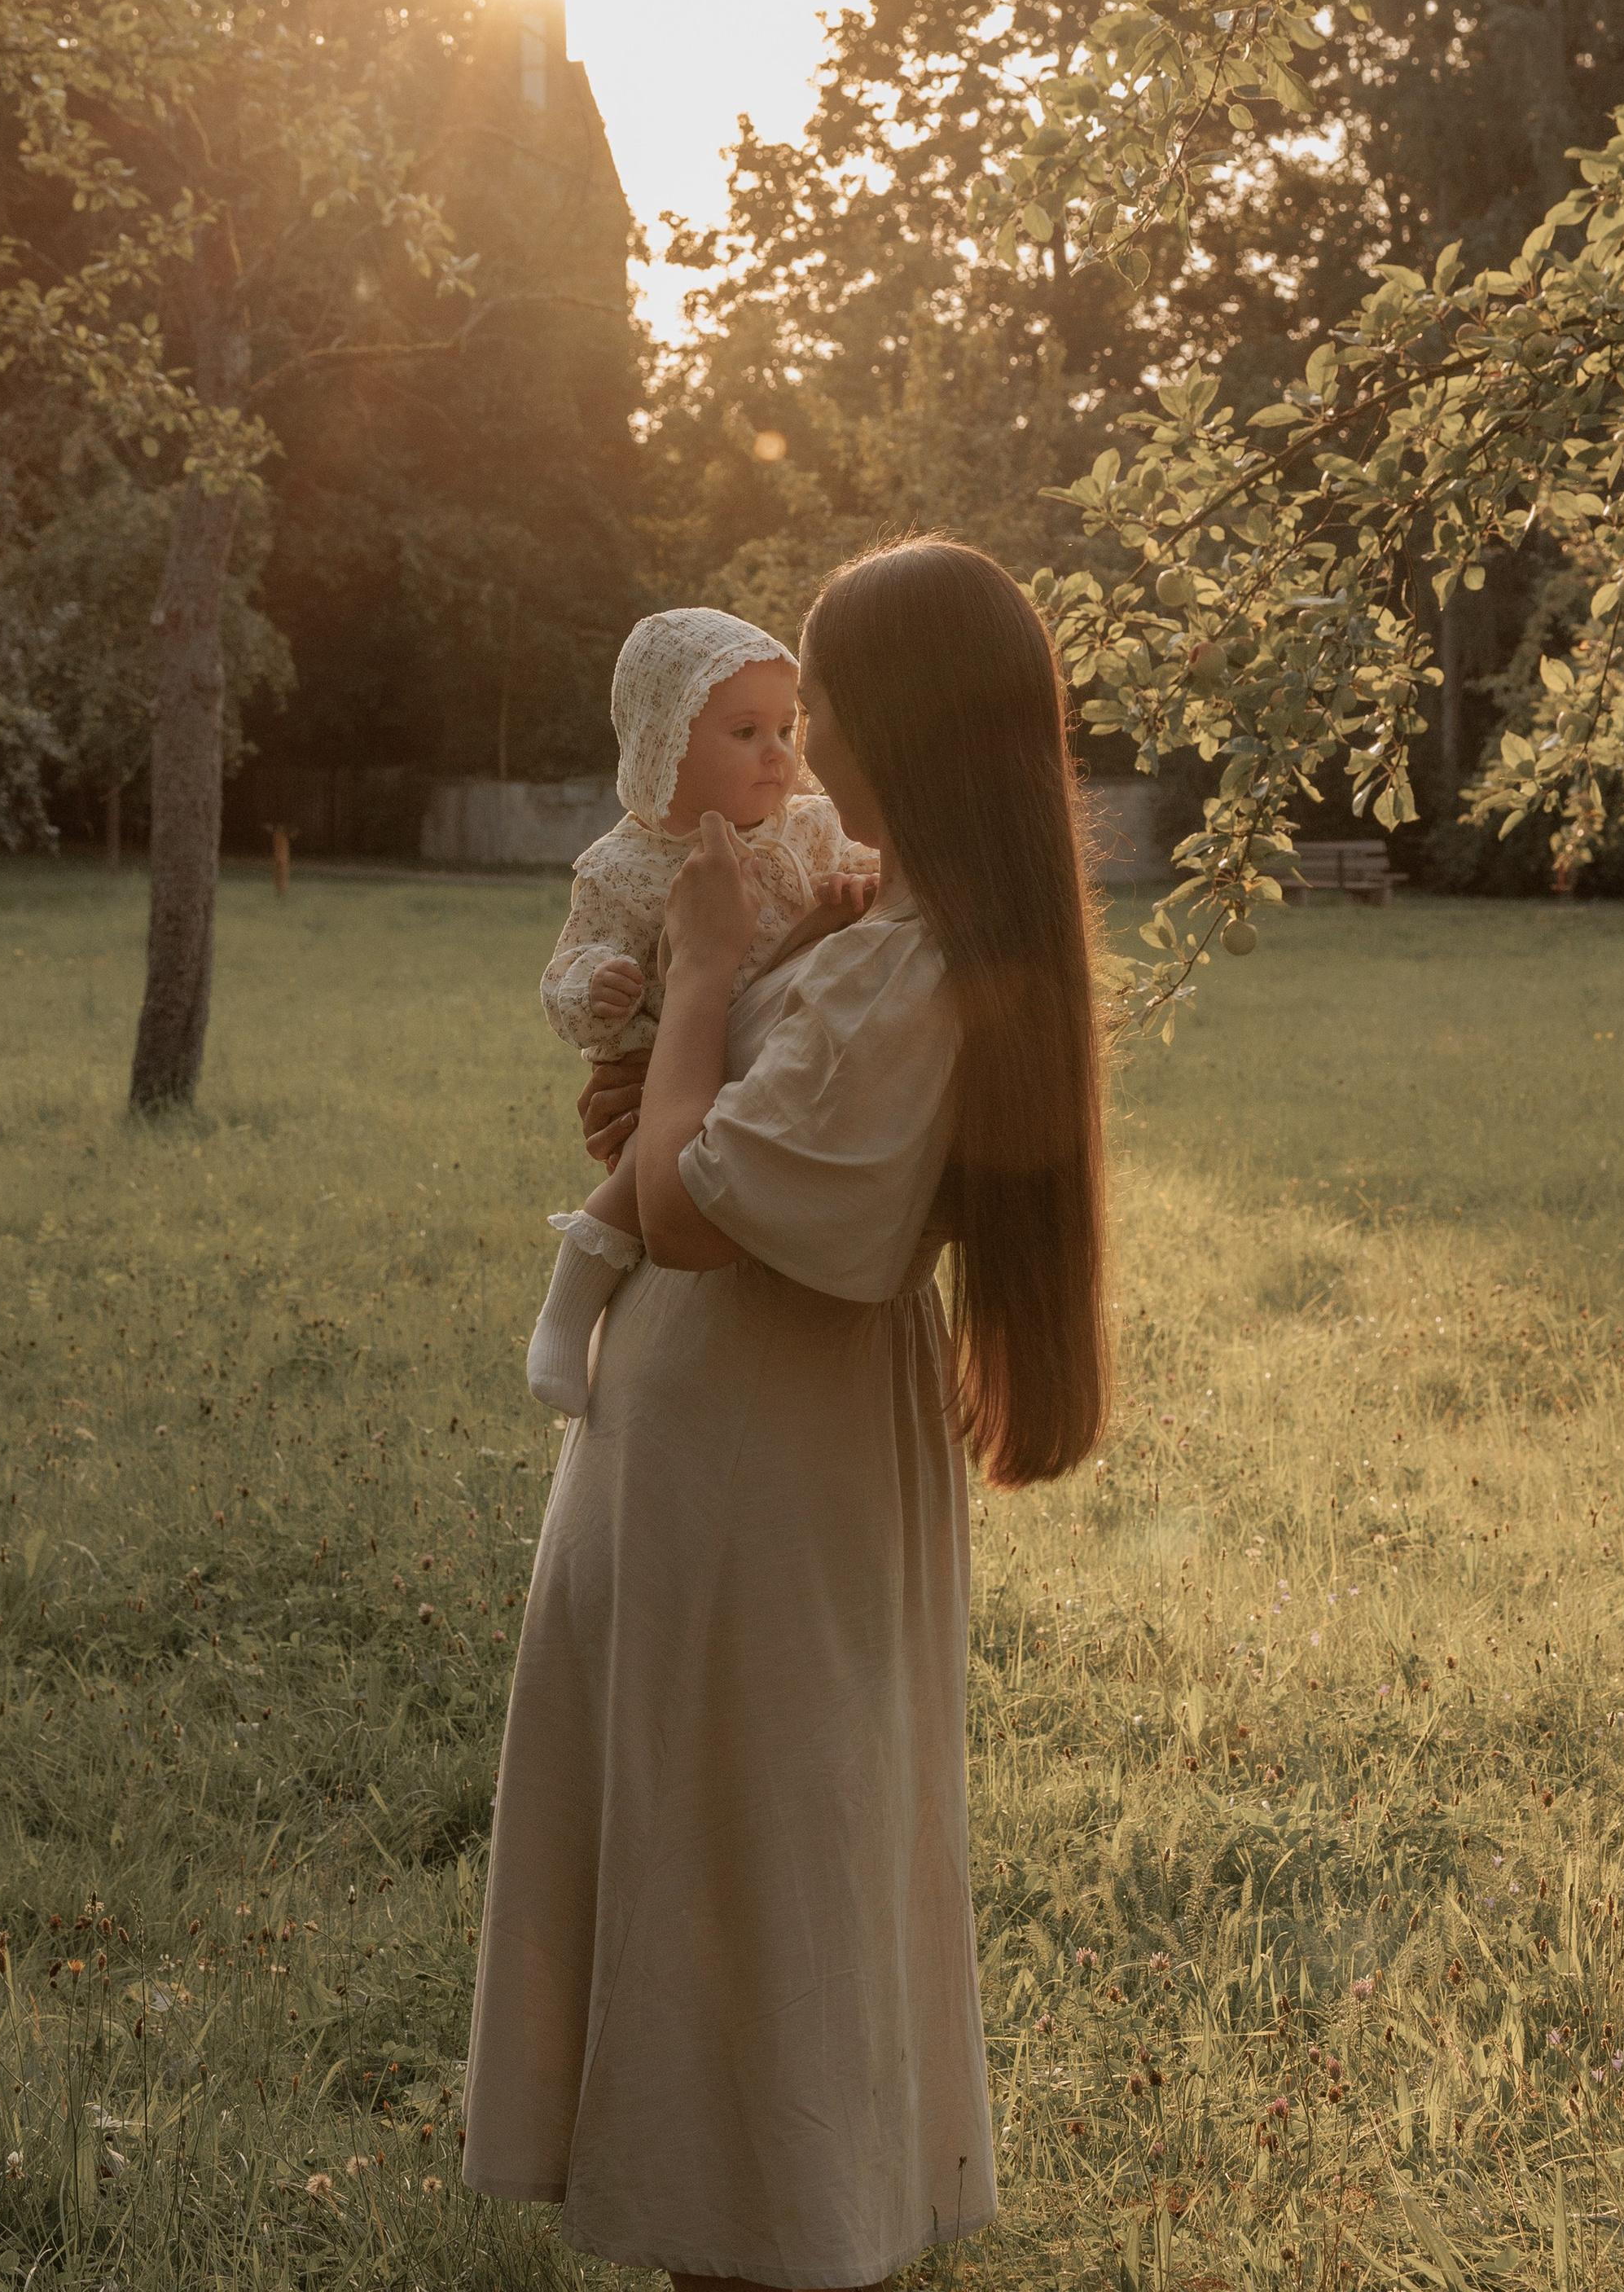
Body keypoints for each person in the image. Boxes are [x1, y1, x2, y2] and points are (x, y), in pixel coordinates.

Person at [463, 537, 1108, 2292]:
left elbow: (680, 1205)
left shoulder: (915, 974)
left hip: (761, 1463)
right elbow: (670, 1153)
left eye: (821, 701)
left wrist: (688, 992)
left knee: (753, 1886)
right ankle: (732, 2224)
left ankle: (754, 2237)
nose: (800, 747)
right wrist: (669, 1084)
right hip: (728, 1444)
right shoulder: (894, 927)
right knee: (730, 1870)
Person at [528, 607, 876, 1414]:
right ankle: (568, 1307)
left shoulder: (814, 828)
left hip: (776, 1063)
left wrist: (857, 887)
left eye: (786, 729)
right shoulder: (624, 866)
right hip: (671, 1072)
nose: (777, 754)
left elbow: (876, 872)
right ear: (666, 740)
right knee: (643, 1171)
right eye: (745, 731)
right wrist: (598, 982)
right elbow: (565, 970)